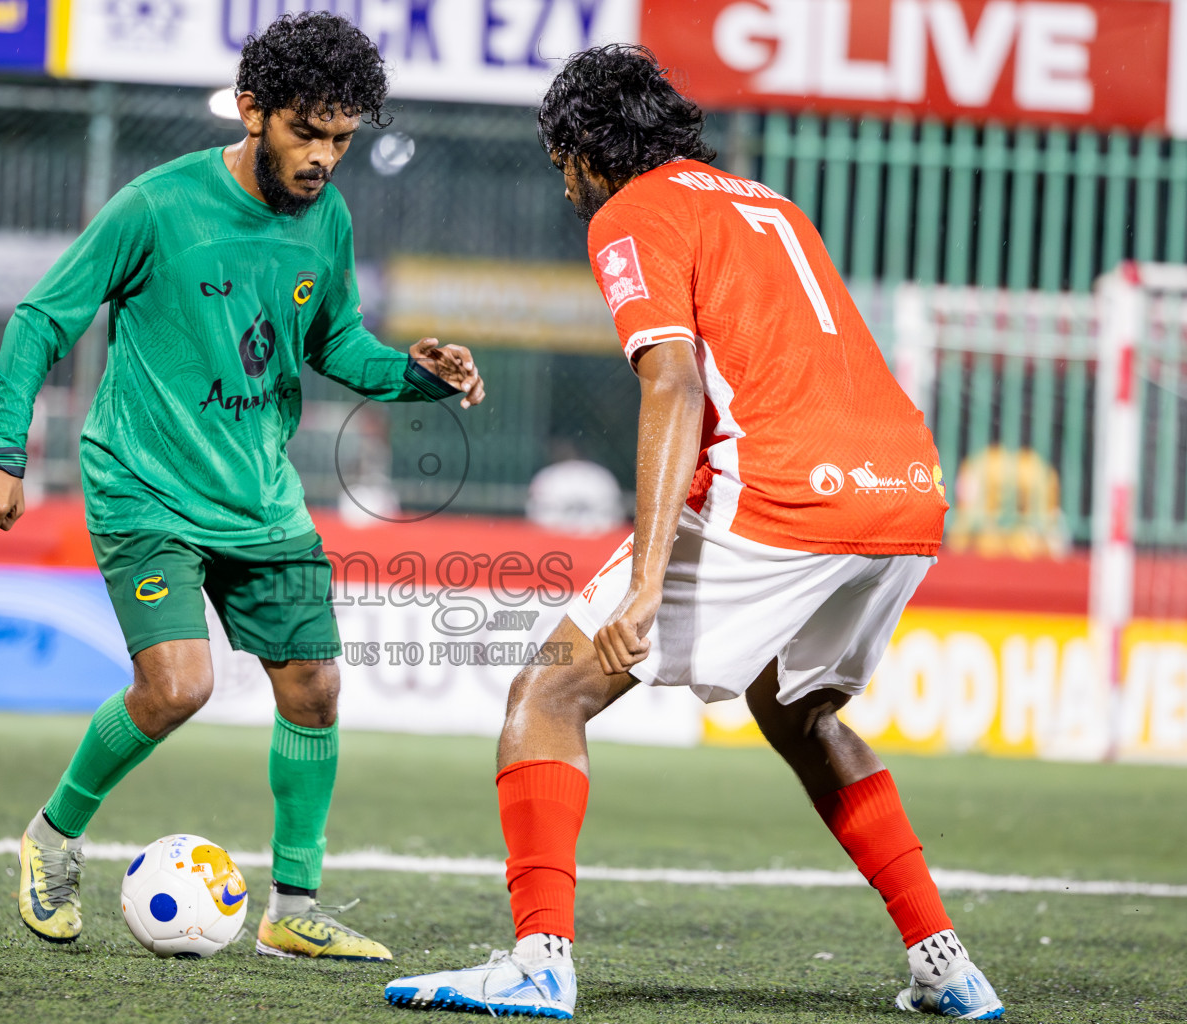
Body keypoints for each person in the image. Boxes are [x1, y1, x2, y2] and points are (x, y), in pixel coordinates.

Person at [385, 45, 1002, 1019]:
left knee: (546, 691)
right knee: (801, 713)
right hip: (907, 489)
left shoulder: (636, 211)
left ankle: (540, 960)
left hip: (791, 490)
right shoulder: (766, 203)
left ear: (588, 148)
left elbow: (671, 382)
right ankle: (948, 963)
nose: (567, 187)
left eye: (563, 165)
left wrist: (643, 586)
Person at [0, 12, 485, 962]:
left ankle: (293, 910)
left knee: (316, 690)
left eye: (341, 138)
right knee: (178, 687)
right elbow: (41, 319)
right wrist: (4, 455)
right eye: (305, 132)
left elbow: (335, 346)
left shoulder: (326, 218)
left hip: (258, 496)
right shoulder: (157, 206)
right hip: (144, 485)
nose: (324, 157)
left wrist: (419, 375)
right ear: (253, 110)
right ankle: (51, 838)